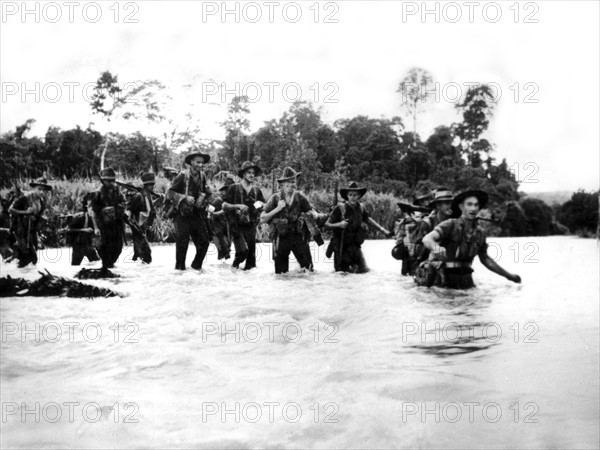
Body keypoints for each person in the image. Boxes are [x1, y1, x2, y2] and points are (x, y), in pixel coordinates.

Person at [419, 189, 522, 289]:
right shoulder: (450, 224)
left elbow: (486, 259)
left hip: (467, 281)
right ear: (461, 207)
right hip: (444, 280)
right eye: (469, 204)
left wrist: (509, 276)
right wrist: (436, 247)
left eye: (476, 205)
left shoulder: (480, 233)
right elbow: (427, 239)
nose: (473, 208)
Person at [261, 167, 319, 274]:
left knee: (308, 269)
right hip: (281, 237)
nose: (291, 185)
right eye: (288, 182)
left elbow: (311, 211)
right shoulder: (275, 198)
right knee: (281, 274)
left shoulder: (300, 197)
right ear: (282, 185)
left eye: (293, 181)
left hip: (297, 235)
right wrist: (277, 209)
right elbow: (262, 218)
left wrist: (315, 215)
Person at [325, 182, 392, 273]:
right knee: (341, 274)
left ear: (359, 196)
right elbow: (327, 225)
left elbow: (368, 219)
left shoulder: (361, 208)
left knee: (365, 271)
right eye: (350, 195)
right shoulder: (339, 208)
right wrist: (339, 224)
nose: (353, 197)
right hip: (341, 248)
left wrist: (382, 230)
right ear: (347, 196)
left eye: (355, 195)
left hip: (355, 247)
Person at [166, 150, 212, 271]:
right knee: (182, 244)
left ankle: (196, 267)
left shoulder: (203, 176)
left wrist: (205, 196)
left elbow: (206, 192)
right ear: (191, 162)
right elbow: (169, 193)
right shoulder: (182, 175)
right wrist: (184, 197)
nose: (200, 165)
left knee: (204, 242)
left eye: (202, 163)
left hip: (196, 214)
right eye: (198, 162)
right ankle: (180, 271)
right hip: (182, 215)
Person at [223, 161, 266, 270]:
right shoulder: (233, 188)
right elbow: (224, 205)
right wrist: (238, 206)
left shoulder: (257, 191)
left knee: (251, 261)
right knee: (243, 251)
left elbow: (264, 205)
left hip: (251, 226)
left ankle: (246, 282)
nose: (252, 175)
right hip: (236, 226)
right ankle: (233, 271)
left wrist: (261, 204)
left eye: (253, 173)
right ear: (243, 174)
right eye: (249, 172)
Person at [8, 177, 53, 267]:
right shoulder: (24, 198)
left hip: (31, 232)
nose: (41, 192)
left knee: (33, 257)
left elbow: (37, 219)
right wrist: (25, 212)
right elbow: (10, 210)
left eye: (44, 191)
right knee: (28, 256)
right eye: (39, 189)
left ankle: (20, 272)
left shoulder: (41, 203)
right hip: (20, 230)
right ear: (34, 188)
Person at [90, 168, 127, 270]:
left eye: (112, 180)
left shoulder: (118, 192)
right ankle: (106, 269)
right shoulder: (98, 194)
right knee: (104, 250)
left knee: (118, 248)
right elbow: (93, 212)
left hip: (116, 226)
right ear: (103, 181)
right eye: (108, 181)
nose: (111, 183)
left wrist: (121, 209)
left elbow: (124, 204)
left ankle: (110, 267)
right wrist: (96, 228)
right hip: (103, 227)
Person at [126, 172, 157, 264]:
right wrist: (131, 224)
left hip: (143, 226)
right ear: (146, 185)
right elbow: (130, 209)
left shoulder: (147, 195)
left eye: (153, 185)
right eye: (151, 185)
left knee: (139, 251)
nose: (153, 187)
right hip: (137, 226)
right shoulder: (139, 196)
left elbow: (150, 210)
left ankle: (137, 264)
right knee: (145, 253)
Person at [65, 193, 100, 266]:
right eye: (91, 208)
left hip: (89, 246)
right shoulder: (81, 218)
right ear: (87, 207)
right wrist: (83, 230)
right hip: (78, 246)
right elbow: (68, 229)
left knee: (97, 263)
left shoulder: (98, 220)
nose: (93, 211)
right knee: (75, 266)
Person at [210, 177, 234, 261]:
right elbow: (210, 213)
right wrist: (221, 212)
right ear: (223, 191)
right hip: (218, 227)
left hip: (228, 227)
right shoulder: (218, 201)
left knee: (227, 248)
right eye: (227, 190)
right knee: (224, 249)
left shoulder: (233, 201)